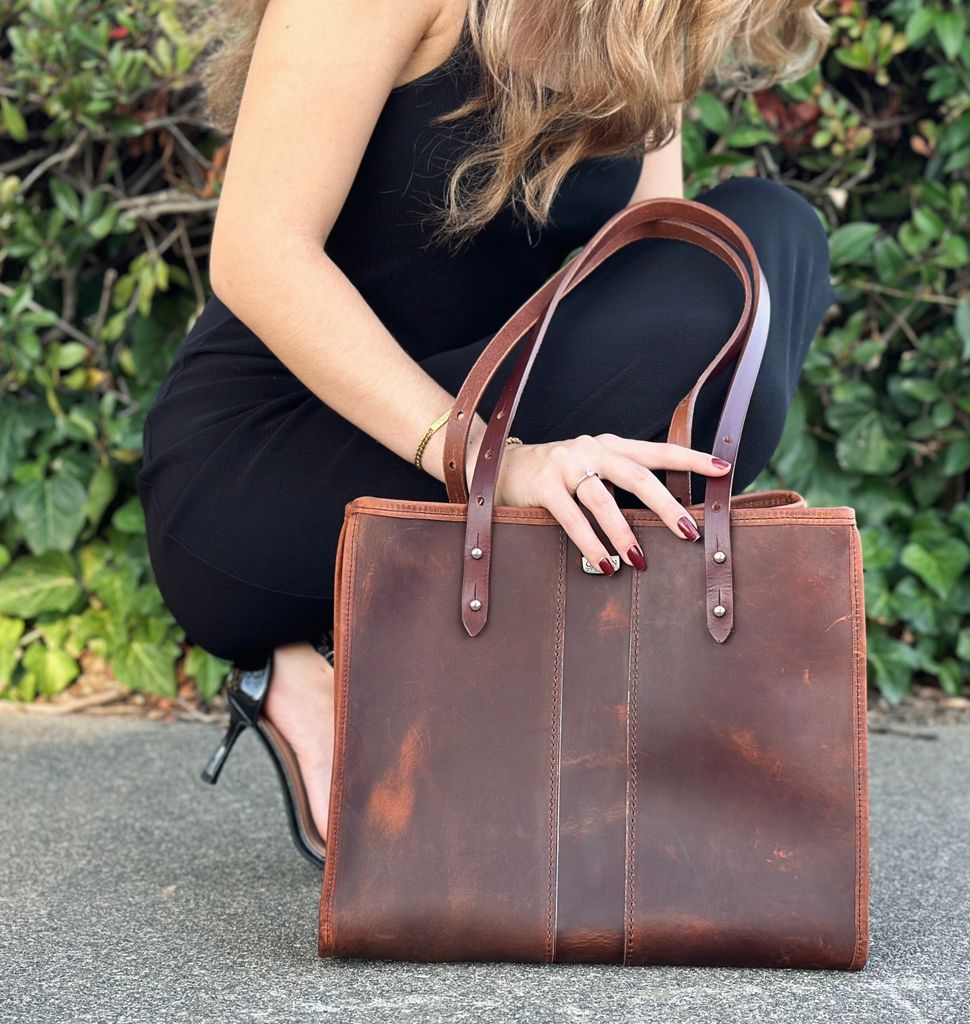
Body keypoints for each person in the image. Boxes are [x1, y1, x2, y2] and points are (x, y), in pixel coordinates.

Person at [136, 0, 840, 867]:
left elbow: (642, 259)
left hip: (487, 422)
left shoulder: (638, 22)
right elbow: (258, 253)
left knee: (764, 246)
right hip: (258, 471)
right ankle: (317, 659)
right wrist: (492, 461)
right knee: (710, 304)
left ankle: (531, 682)